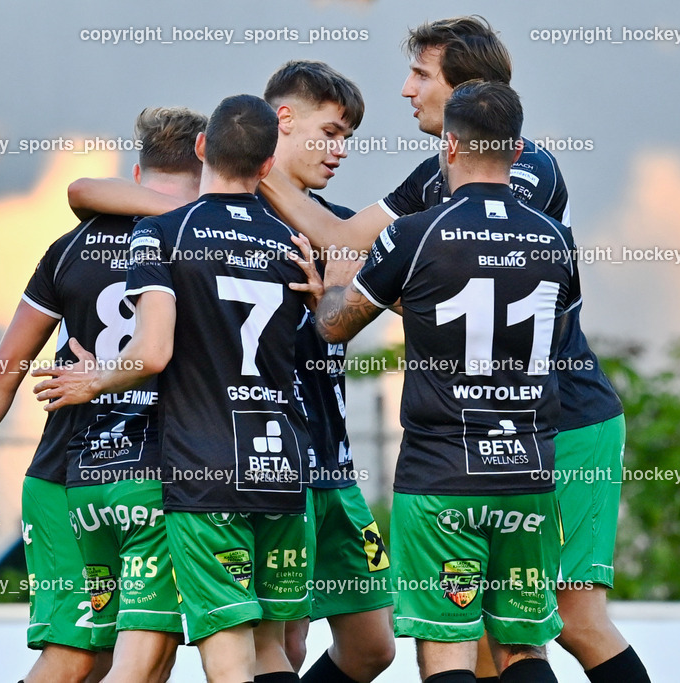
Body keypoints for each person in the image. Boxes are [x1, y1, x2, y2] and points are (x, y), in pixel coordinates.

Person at [260, 16, 650, 683]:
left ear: (463, 90)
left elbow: (457, 275)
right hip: (491, 432)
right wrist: (251, 171)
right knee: (484, 633)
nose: (406, 89)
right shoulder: (431, 178)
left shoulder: (525, 167)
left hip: (564, 420)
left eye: (420, 73)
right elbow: (348, 238)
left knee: (569, 619)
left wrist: (249, 166)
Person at [33, 94, 313, 683]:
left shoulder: (163, 233)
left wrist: (94, 379)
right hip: (283, 463)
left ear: (204, 148)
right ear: (267, 168)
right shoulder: (292, 241)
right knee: (275, 650)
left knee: (228, 647)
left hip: (204, 469)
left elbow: (152, 352)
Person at [314, 80, 572, 683]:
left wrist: (331, 289)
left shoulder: (415, 232)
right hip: (528, 473)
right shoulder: (556, 239)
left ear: (449, 146)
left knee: (447, 648)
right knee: (525, 649)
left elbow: (335, 327)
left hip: (441, 475)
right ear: (514, 150)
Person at [0, 106, 203, 683]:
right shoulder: (203, 245)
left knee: (81, 654)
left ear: (135, 175)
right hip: (155, 470)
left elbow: (5, 366)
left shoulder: (70, 246)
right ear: (207, 164)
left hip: (60, 474)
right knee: (137, 652)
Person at [262, 60, 395, 683]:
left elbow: (406, 298)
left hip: (335, 465)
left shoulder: (341, 228)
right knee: (283, 647)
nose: (340, 150)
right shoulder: (225, 219)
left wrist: (335, 302)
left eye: (349, 138)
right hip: (272, 464)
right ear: (282, 119)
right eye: (332, 132)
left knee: (373, 647)